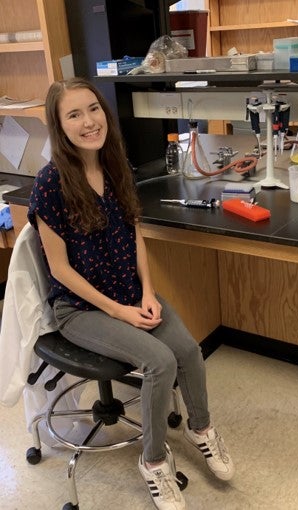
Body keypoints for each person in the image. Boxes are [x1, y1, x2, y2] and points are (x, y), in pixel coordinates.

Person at [28, 77, 235, 510]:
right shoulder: (49, 185)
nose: (89, 121)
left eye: (93, 109)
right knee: (159, 361)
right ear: (59, 125)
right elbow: (61, 271)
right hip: (82, 308)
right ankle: (154, 462)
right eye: (74, 114)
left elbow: (136, 236)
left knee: (188, 350)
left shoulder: (115, 164)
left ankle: (201, 431)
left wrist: (148, 292)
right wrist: (120, 312)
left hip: (128, 291)